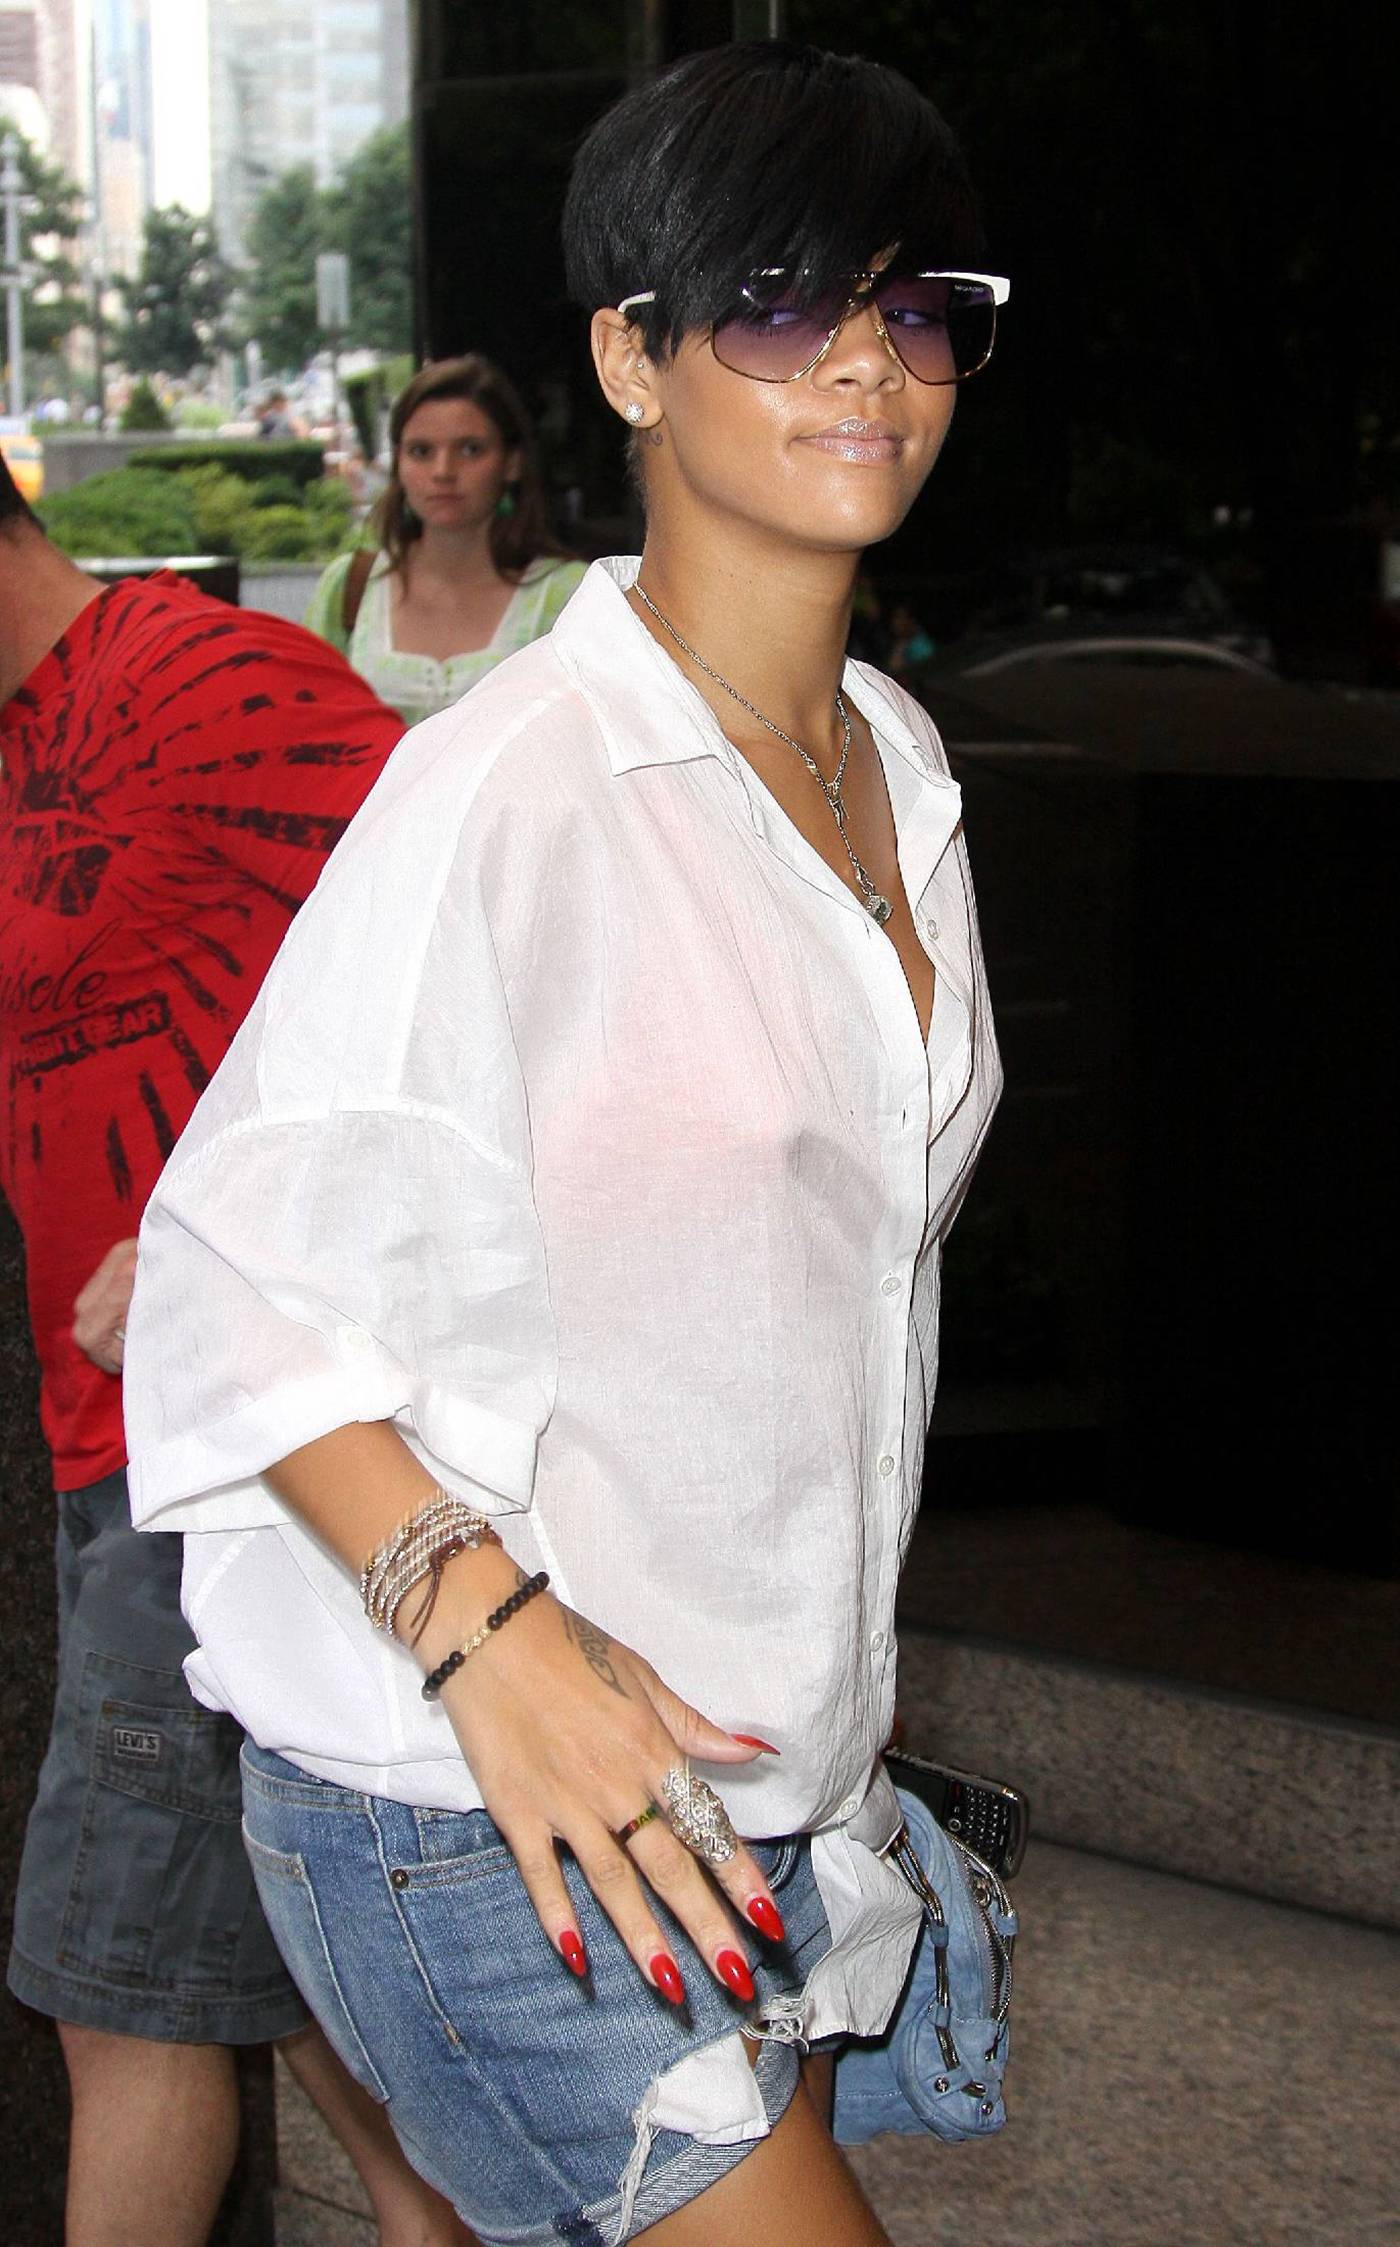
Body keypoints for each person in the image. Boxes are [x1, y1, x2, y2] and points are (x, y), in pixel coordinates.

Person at [125, 39, 1008, 2247]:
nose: (869, 366)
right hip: (494, 1797)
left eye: (917, 310)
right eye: (782, 306)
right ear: (629, 358)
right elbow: (234, 1277)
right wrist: (494, 1640)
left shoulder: (899, 765)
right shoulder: (514, 784)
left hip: (765, 1769)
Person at [0, 461, 473, 2247]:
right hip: (112, 1444)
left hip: (225, 1451)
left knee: (120, 1991)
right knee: (304, 1991)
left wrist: (237, 1224)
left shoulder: (205, 678)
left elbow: (465, 951)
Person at [303, 355, 586, 726]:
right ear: (398, 463)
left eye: (470, 449)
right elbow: (308, 725)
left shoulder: (571, 594)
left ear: (512, 462)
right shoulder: (349, 587)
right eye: (421, 451)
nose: (443, 471)